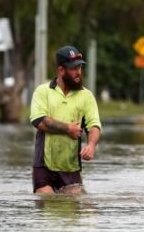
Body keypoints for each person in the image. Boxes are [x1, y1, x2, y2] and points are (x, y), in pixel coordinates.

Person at [30, 45, 102, 194]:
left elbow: (94, 125)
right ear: (61, 70)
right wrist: (68, 128)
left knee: (80, 207)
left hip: (71, 168)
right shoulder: (42, 92)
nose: (78, 72)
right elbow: (40, 122)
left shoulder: (86, 96)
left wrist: (91, 145)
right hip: (43, 166)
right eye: (73, 68)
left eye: (80, 68)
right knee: (47, 203)